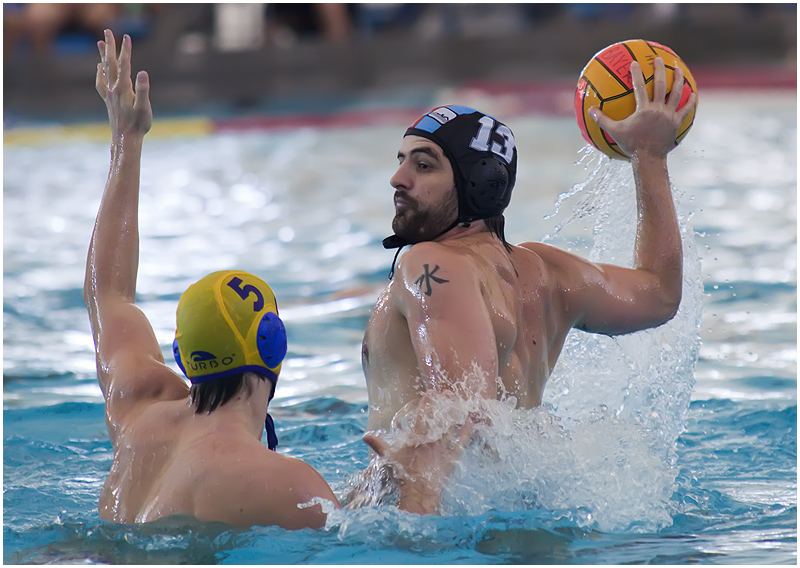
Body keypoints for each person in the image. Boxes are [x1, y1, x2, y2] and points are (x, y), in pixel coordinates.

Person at [359, 58, 696, 513]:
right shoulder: (548, 273)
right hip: (527, 507)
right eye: (402, 161)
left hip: (434, 514)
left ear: (478, 185)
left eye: (423, 165)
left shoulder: (431, 264)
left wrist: (398, 508)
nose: (399, 179)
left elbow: (460, 417)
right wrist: (649, 157)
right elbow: (659, 293)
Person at [84, 30, 339, 529]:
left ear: (182, 354)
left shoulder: (138, 413)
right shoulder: (291, 487)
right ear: (273, 343)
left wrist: (125, 140)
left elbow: (107, 293)